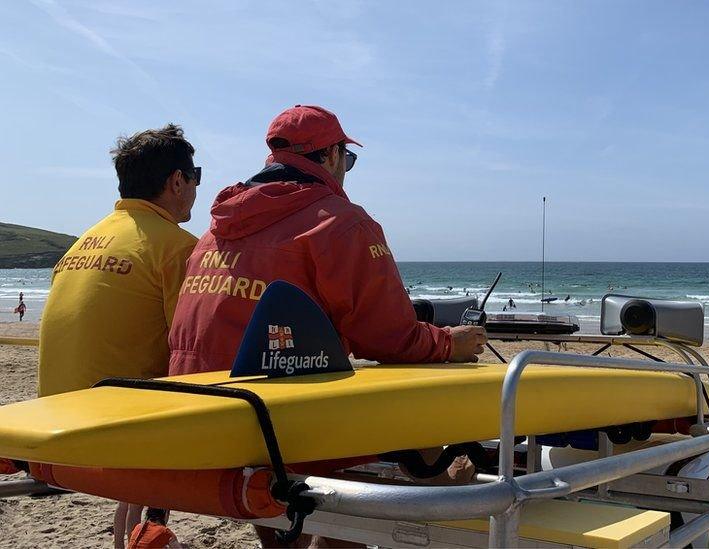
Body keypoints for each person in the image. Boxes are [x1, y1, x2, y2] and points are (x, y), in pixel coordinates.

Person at [166, 105, 486, 547]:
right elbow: (391, 338)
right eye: (348, 160)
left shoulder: (217, 227)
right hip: (282, 424)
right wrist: (451, 344)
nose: (347, 171)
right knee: (424, 395)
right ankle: (445, 482)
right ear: (332, 156)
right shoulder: (339, 221)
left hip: (200, 413)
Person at [36, 125, 199, 549]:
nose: (197, 186)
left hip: (56, 419)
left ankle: (131, 531)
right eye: (194, 174)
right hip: (115, 426)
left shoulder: (86, 240)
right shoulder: (176, 246)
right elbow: (191, 349)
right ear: (176, 181)